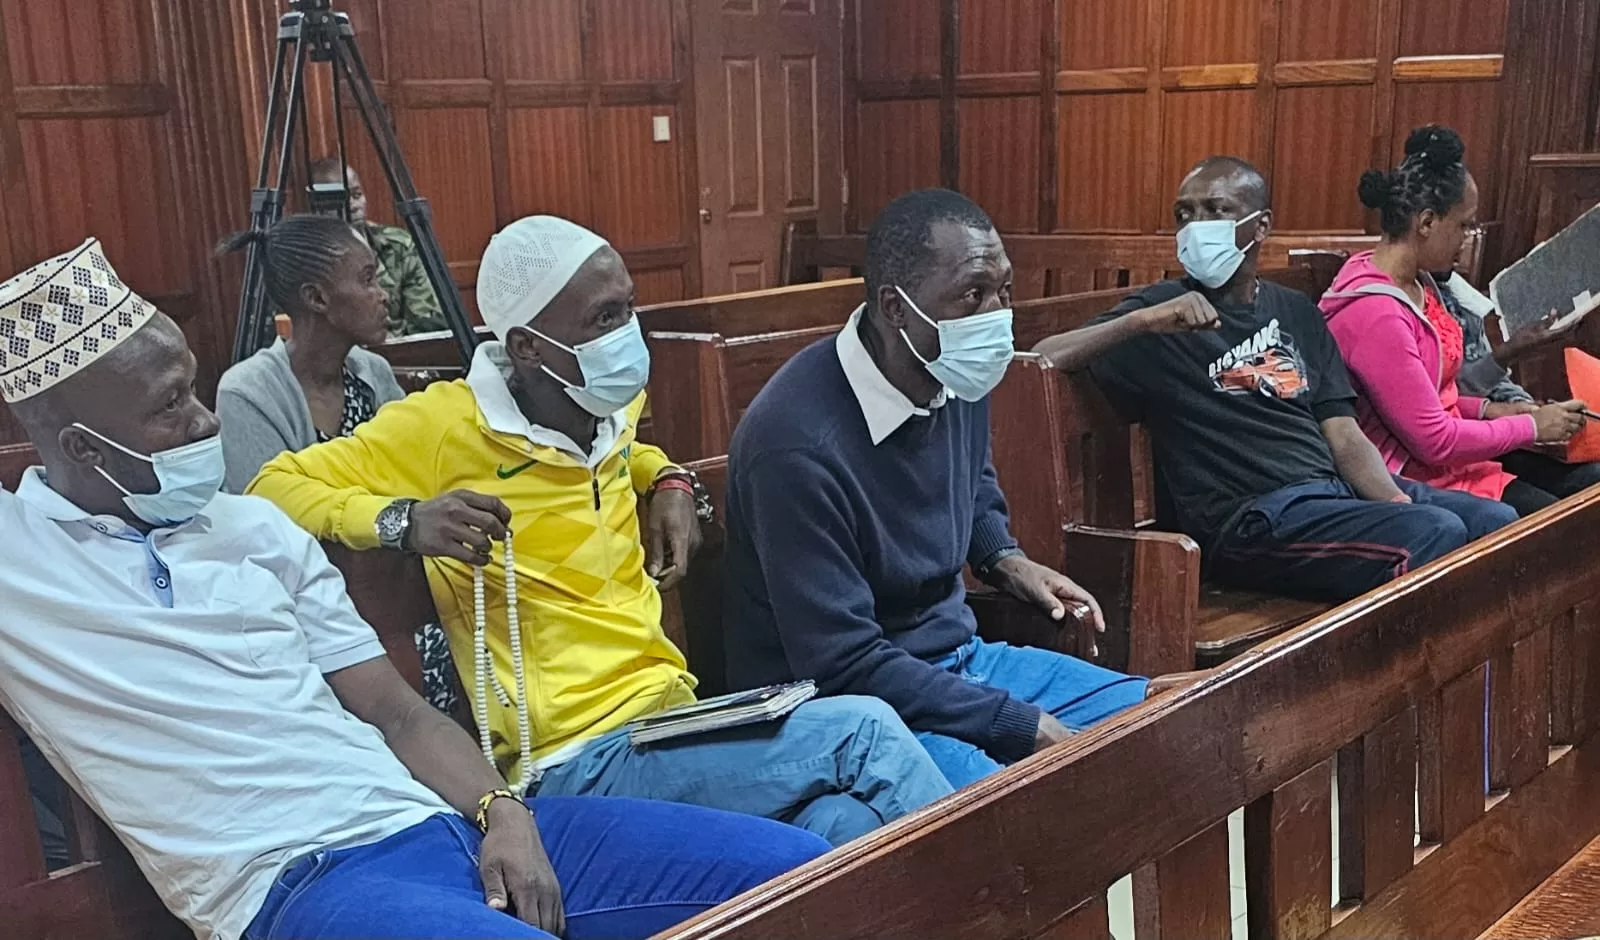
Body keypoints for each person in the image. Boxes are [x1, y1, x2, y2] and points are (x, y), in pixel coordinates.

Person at [0, 238, 830, 940]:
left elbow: (397, 714)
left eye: (194, 384)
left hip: (441, 820)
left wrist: (502, 811)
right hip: (303, 883)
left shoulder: (252, 531)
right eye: (172, 405)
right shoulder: (21, 561)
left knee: (804, 880)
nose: (207, 420)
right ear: (84, 448)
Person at [248, 215, 954, 844]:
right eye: (604, 319)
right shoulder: (444, 425)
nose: (628, 337)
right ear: (528, 347)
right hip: (572, 758)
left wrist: (667, 477)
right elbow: (268, 487)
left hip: (671, 719)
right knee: (863, 733)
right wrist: (402, 520)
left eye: (629, 309)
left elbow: (608, 456)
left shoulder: (606, 402)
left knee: (842, 824)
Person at [723, 190, 1163, 790]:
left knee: (1157, 726)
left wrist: (1002, 555)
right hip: (844, 714)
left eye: (1003, 290)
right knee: (1026, 806)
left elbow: (971, 479)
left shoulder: (951, 371)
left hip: (958, 661)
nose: (996, 315)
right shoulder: (795, 443)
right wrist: (1014, 723)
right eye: (972, 294)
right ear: (895, 308)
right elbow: (842, 664)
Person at [1032, 157, 1518, 603]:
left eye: (1216, 210)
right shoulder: (1160, 312)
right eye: (1184, 214)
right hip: (1250, 521)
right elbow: (1039, 358)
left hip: (1327, 495)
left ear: (1261, 225)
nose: (1196, 225)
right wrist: (1139, 323)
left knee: (1494, 522)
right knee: (1432, 533)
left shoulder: (1295, 311)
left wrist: (1393, 500)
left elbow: (1344, 434)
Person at [216, 213, 463, 718]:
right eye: (368, 279)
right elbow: (265, 533)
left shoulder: (373, 373)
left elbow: (418, 477)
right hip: (310, 617)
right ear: (317, 298)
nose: (384, 294)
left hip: (397, 595)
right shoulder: (247, 392)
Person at [1319, 125, 1586, 517]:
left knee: (1584, 485)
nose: (1468, 237)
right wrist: (1532, 427)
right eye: (1464, 224)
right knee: (1555, 524)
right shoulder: (1376, 314)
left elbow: (1430, 396)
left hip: (1447, 459)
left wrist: (1490, 410)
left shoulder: (1421, 281)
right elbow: (1433, 440)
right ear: (1426, 223)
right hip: (1408, 476)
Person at [1434, 266, 1600, 498]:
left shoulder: (1451, 291)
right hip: (1461, 445)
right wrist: (1508, 354)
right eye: (1461, 230)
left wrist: (1524, 406)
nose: (1462, 247)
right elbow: (1442, 397)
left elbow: (1493, 380)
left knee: (1592, 478)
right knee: (1551, 511)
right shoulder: (1404, 309)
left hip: (1495, 432)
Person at [309, 157, 447, 337]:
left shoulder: (399, 244)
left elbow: (430, 323)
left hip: (406, 349)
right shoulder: (309, 258)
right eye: (343, 199)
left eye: (357, 195)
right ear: (319, 206)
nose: (354, 206)